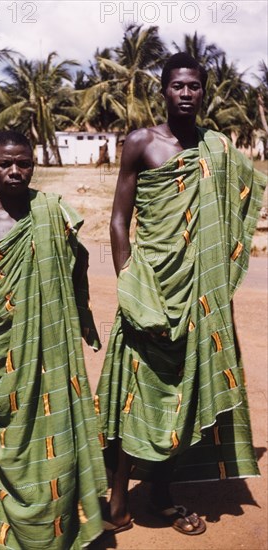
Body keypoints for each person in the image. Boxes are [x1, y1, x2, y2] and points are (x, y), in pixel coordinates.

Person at [96, 53, 266, 537]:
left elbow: (242, 202)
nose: (186, 93)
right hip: (150, 291)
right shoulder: (140, 143)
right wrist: (130, 282)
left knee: (185, 396)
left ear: (204, 91)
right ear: (163, 91)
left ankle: (164, 495)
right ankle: (119, 500)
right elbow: (118, 220)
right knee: (138, 393)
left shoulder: (218, 149)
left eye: (194, 86)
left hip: (199, 298)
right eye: (177, 86)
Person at [0, 130, 107, 549]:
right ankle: (9, 535)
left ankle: (57, 534)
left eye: (23, 163)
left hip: (50, 353)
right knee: (9, 449)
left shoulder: (53, 211)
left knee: (57, 441)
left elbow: (77, 261)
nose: (15, 171)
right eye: (5, 164)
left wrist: (71, 311)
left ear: (33, 165)